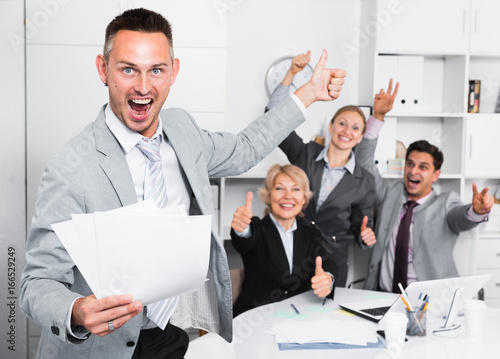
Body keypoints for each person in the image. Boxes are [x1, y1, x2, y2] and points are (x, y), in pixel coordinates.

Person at [19, 8, 346, 359]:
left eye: (156, 70)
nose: (143, 88)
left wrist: (307, 95)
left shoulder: (183, 130)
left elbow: (246, 148)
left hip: (170, 334)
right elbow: (36, 284)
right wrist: (77, 311)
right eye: (128, 69)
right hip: (101, 348)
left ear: (173, 71)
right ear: (103, 69)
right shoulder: (70, 168)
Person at [266, 52, 398, 287]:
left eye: (355, 128)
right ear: (331, 126)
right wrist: (291, 74)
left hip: (331, 264)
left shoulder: (364, 180)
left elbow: (360, 227)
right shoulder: (304, 153)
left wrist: (365, 237)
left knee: (324, 320)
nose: (347, 130)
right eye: (343, 123)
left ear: (360, 138)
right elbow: (275, 123)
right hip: (291, 253)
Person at [355, 84, 494, 292]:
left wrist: (476, 211)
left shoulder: (445, 203)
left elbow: (460, 217)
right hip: (382, 297)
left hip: (429, 302)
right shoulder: (390, 195)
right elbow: (364, 165)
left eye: (423, 167)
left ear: (436, 174)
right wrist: (377, 116)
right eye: (410, 164)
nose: (413, 172)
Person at [230, 164, 338, 317]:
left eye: (295, 189)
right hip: (254, 318)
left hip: (297, 316)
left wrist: (328, 278)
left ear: (304, 198)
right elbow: (245, 239)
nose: (288, 195)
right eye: (279, 188)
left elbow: (328, 262)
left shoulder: (311, 232)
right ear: (268, 195)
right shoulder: (256, 228)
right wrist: (241, 228)